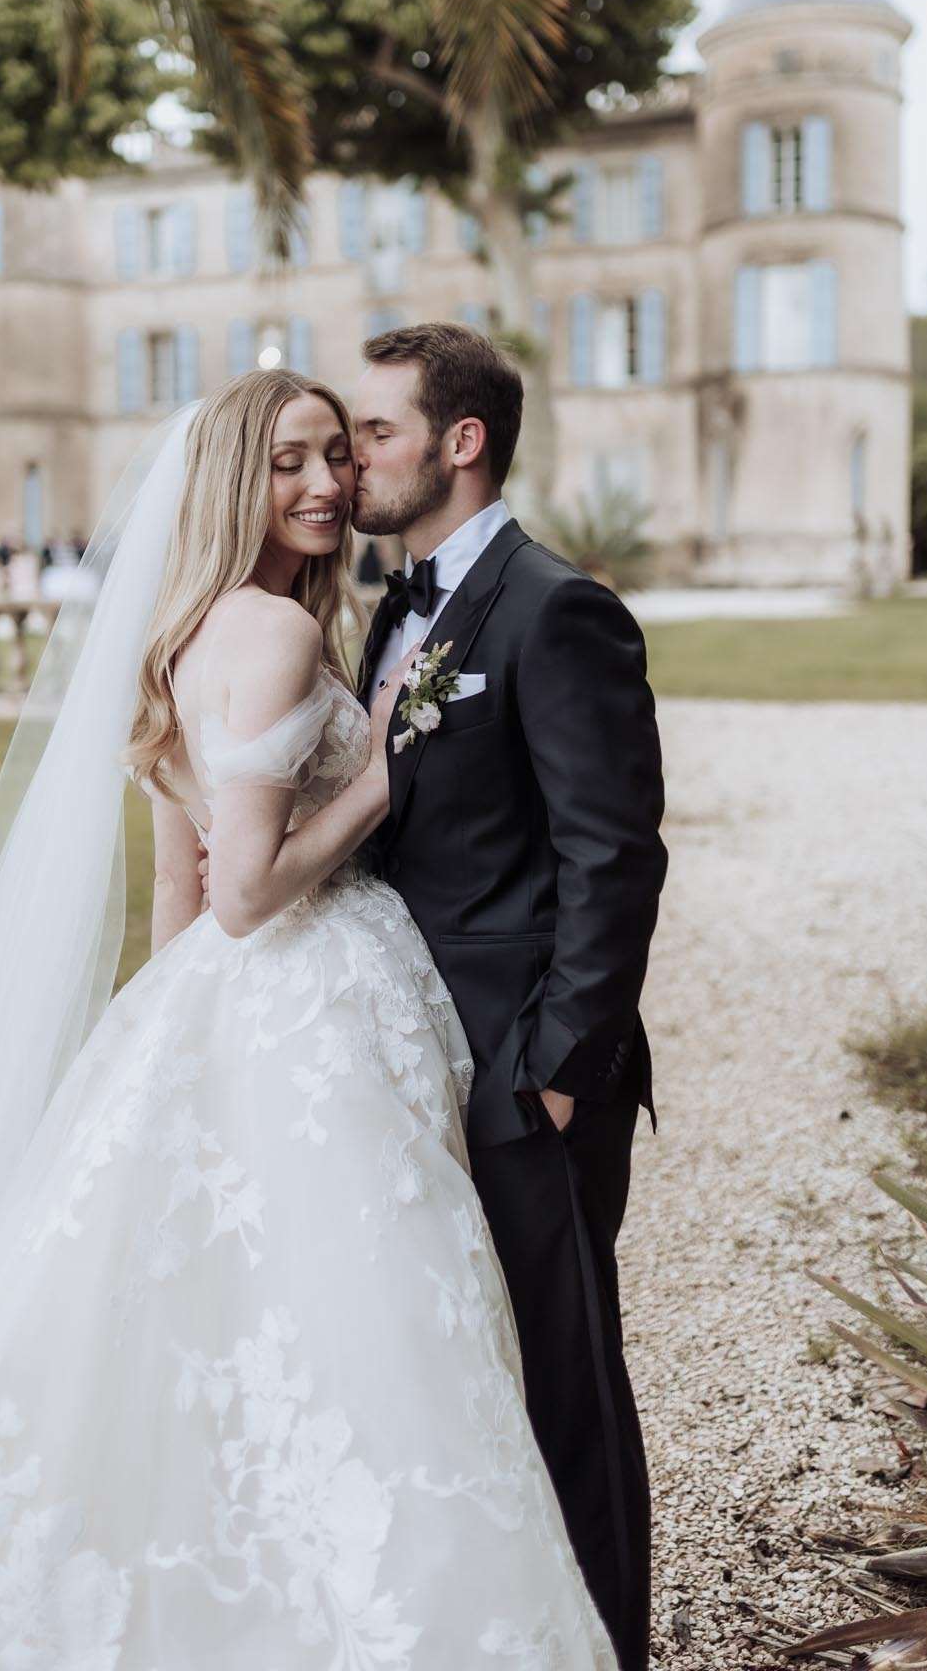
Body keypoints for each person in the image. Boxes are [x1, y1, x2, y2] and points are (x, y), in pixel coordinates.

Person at [0, 369, 617, 1670]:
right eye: (290, 461)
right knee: (351, 1337)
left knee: (203, 1331)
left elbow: (179, 902)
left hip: (230, 1022)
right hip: (302, 1002)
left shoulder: (184, 636)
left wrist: (178, 1067)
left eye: (338, 453)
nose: (327, 483)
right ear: (231, 481)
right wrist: (385, 768)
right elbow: (250, 895)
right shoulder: (271, 636)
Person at [352, 323, 668, 1671]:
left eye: (373, 431)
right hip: (405, 1056)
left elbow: (613, 853)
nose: (349, 461)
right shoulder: (396, 603)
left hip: (518, 1079)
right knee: (457, 1386)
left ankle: (609, 1647)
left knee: (563, 1387)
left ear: (457, 440)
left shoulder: (554, 609)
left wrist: (551, 1072)